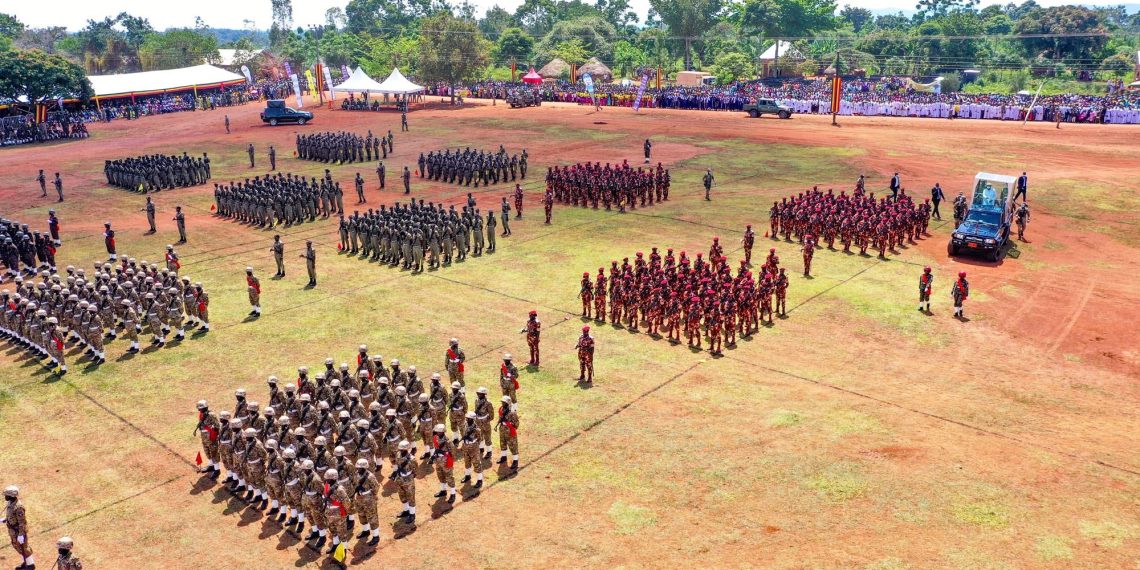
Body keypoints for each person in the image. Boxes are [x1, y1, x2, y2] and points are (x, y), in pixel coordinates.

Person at [4, 485, 34, 570]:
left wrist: (21, 535)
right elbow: (12, 516)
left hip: (19, 531)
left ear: (11, 495)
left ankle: (30, 566)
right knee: (18, 547)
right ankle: (26, 563)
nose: (5, 496)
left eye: (6, 495)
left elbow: (22, 522)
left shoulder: (18, 507)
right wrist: (6, 519)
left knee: (24, 548)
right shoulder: (10, 503)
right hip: (13, 531)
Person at [496, 396, 519, 471]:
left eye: (504, 402)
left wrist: (509, 424)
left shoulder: (512, 412)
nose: (502, 403)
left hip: (510, 431)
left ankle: (515, 461)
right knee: (502, 444)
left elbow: (516, 424)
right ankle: (503, 457)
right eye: (502, 402)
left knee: (513, 446)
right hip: (502, 429)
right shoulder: (501, 409)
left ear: (508, 403)